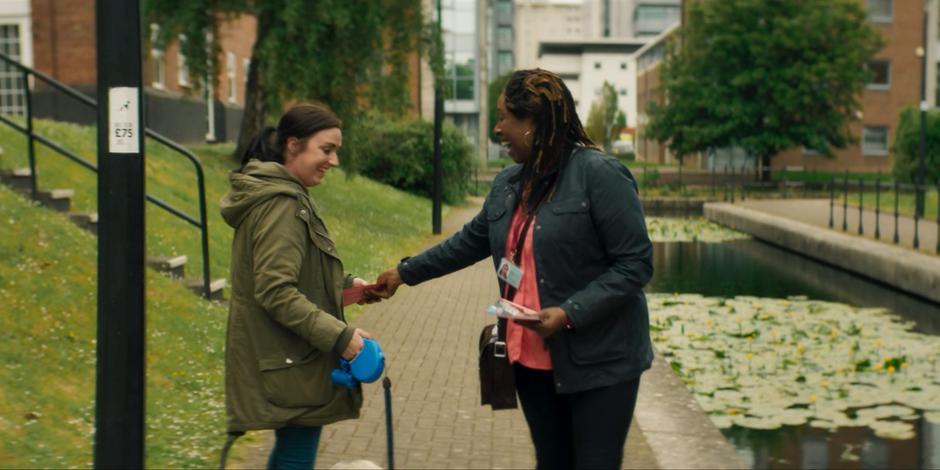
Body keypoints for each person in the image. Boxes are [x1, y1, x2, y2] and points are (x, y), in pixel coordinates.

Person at [374, 69, 654, 469]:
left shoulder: (600, 175)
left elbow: (635, 263)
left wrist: (570, 312)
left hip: (601, 361)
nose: (497, 128)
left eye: (506, 117)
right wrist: (404, 273)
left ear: (536, 123)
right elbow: (467, 243)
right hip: (529, 358)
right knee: (551, 462)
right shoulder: (508, 183)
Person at [219, 103, 378, 469]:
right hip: (289, 360)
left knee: (294, 452)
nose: (334, 161)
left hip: (285, 356)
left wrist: (347, 285)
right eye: (326, 149)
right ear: (293, 145)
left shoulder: (278, 196)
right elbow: (275, 290)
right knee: (295, 456)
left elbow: (292, 276)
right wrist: (342, 337)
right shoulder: (282, 205)